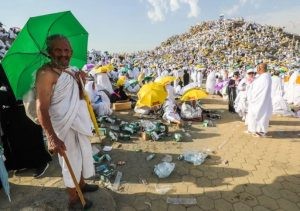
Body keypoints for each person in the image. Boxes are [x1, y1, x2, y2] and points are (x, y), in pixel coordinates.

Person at [35, 34, 98, 209]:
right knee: (71, 160)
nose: (63, 54)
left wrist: (80, 82)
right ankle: (73, 198)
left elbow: (78, 98)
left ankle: (82, 185)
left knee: (82, 154)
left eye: (67, 50)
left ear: (71, 52)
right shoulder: (45, 74)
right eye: (58, 50)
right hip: (62, 125)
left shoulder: (71, 70)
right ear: (49, 52)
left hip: (78, 122)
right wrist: (52, 137)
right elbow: (41, 108)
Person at [0, 65, 51, 178]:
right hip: (9, 111)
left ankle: (41, 163)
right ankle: (25, 163)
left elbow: (20, 87)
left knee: (31, 136)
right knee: (17, 139)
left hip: (23, 106)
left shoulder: (10, 66)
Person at [246, 63, 272, 137]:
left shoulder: (265, 77)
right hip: (256, 101)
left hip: (260, 101)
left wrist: (252, 97)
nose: (256, 70)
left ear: (260, 69)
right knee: (253, 115)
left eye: (258, 68)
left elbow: (259, 91)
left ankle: (260, 131)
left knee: (260, 115)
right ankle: (252, 129)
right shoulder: (262, 77)